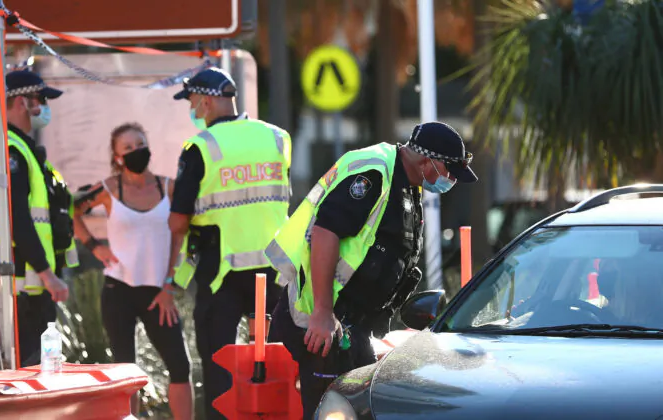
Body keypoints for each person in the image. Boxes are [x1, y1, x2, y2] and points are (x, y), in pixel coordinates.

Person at [265, 121, 478, 418]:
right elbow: (325, 232)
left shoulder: (408, 184)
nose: (451, 180)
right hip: (320, 325)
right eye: (450, 172)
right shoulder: (375, 174)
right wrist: (323, 313)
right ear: (430, 161)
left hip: (351, 328)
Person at [168, 66, 292, 419]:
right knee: (272, 363)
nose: (192, 108)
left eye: (192, 101)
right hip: (273, 272)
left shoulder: (200, 147)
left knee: (219, 366)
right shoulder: (277, 138)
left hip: (220, 271)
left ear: (206, 101)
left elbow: (178, 221)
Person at [72, 123, 194, 420]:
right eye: (127, 148)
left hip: (158, 292)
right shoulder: (108, 189)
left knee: (180, 366)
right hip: (119, 289)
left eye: (140, 144)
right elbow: (70, 211)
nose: (136, 151)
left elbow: (181, 236)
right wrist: (95, 246)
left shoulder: (169, 187)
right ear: (116, 157)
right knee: (127, 370)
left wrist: (169, 286)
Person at [0, 70, 79, 367]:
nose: (44, 107)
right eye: (41, 99)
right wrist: (48, 274)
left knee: (40, 369)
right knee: (28, 372)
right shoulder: (8, 149)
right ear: (20, 102)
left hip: (27, 285)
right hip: (15, 284)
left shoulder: (21, 148)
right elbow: (17, 216)